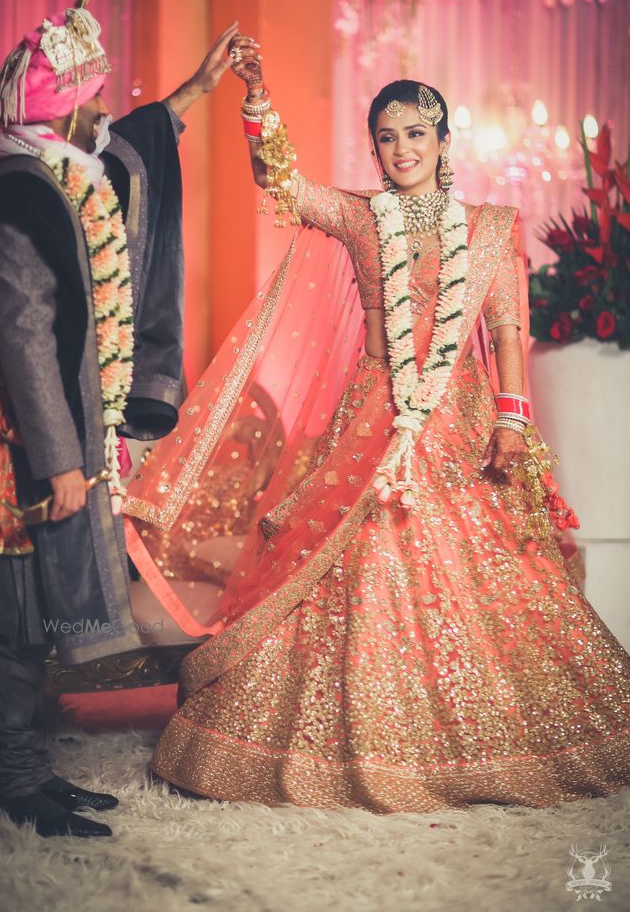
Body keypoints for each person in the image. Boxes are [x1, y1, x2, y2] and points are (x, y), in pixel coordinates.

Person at [123, 41, 630, 814]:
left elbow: (505, 330)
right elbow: (284, 185)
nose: (401, 149)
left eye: (415, 134)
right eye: (386, 137)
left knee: (486, 569)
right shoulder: (361, 217)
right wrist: (256, 98)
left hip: (460, 422)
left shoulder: (491, 229)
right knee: (345, 554)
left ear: (443, 141)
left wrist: (511, 423)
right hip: (372, 417)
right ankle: (354, 734)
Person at [0, 0, 238, 837]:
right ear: (68, 109)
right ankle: (12, 780)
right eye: (97, 99)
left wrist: (191, 93)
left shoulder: (49, 166)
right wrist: (64, 461)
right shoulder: (16, 195)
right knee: (16, 610)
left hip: (50, 435)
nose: (108, 113)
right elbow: (25, 341)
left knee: (42, 609)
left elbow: (122, 153)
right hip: (20, 439)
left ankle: (30, 769)